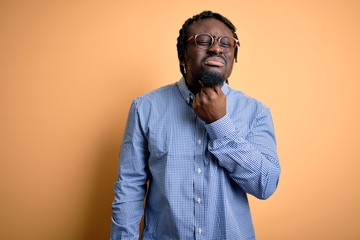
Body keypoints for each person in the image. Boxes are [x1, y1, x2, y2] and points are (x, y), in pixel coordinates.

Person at [110, 10, 281, 240]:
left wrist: (220, 124)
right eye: (203, 41)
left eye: (226, 43)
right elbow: (129, 189)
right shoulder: (145, 108)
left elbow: (266, 184)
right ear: (182, 55)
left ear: (234, 55)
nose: (217, 48)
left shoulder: (256, 112)